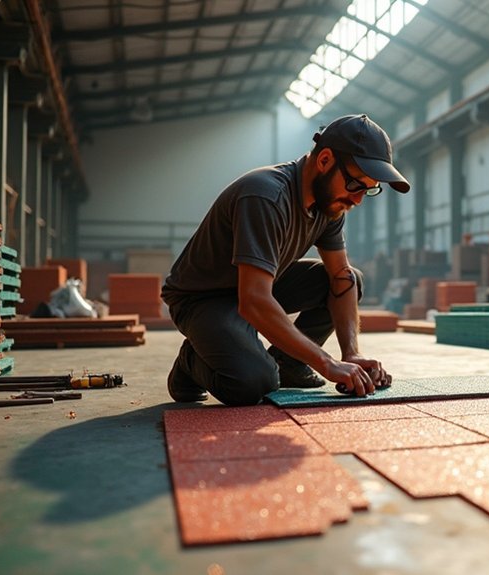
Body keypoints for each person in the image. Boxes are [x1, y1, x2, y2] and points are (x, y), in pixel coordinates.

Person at [161, 114, 410, 406]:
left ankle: (290, 364)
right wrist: (326, 363)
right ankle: (191, 360)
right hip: (203, 299)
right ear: (325, 160)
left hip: (258, 286)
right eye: (355, 185)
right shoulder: (265, 196)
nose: (357, 200)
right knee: (254, 383)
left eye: (369, 190)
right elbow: (253, 301)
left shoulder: (330, 206)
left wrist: (351, 353)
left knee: (349, 279)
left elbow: (340, 275)